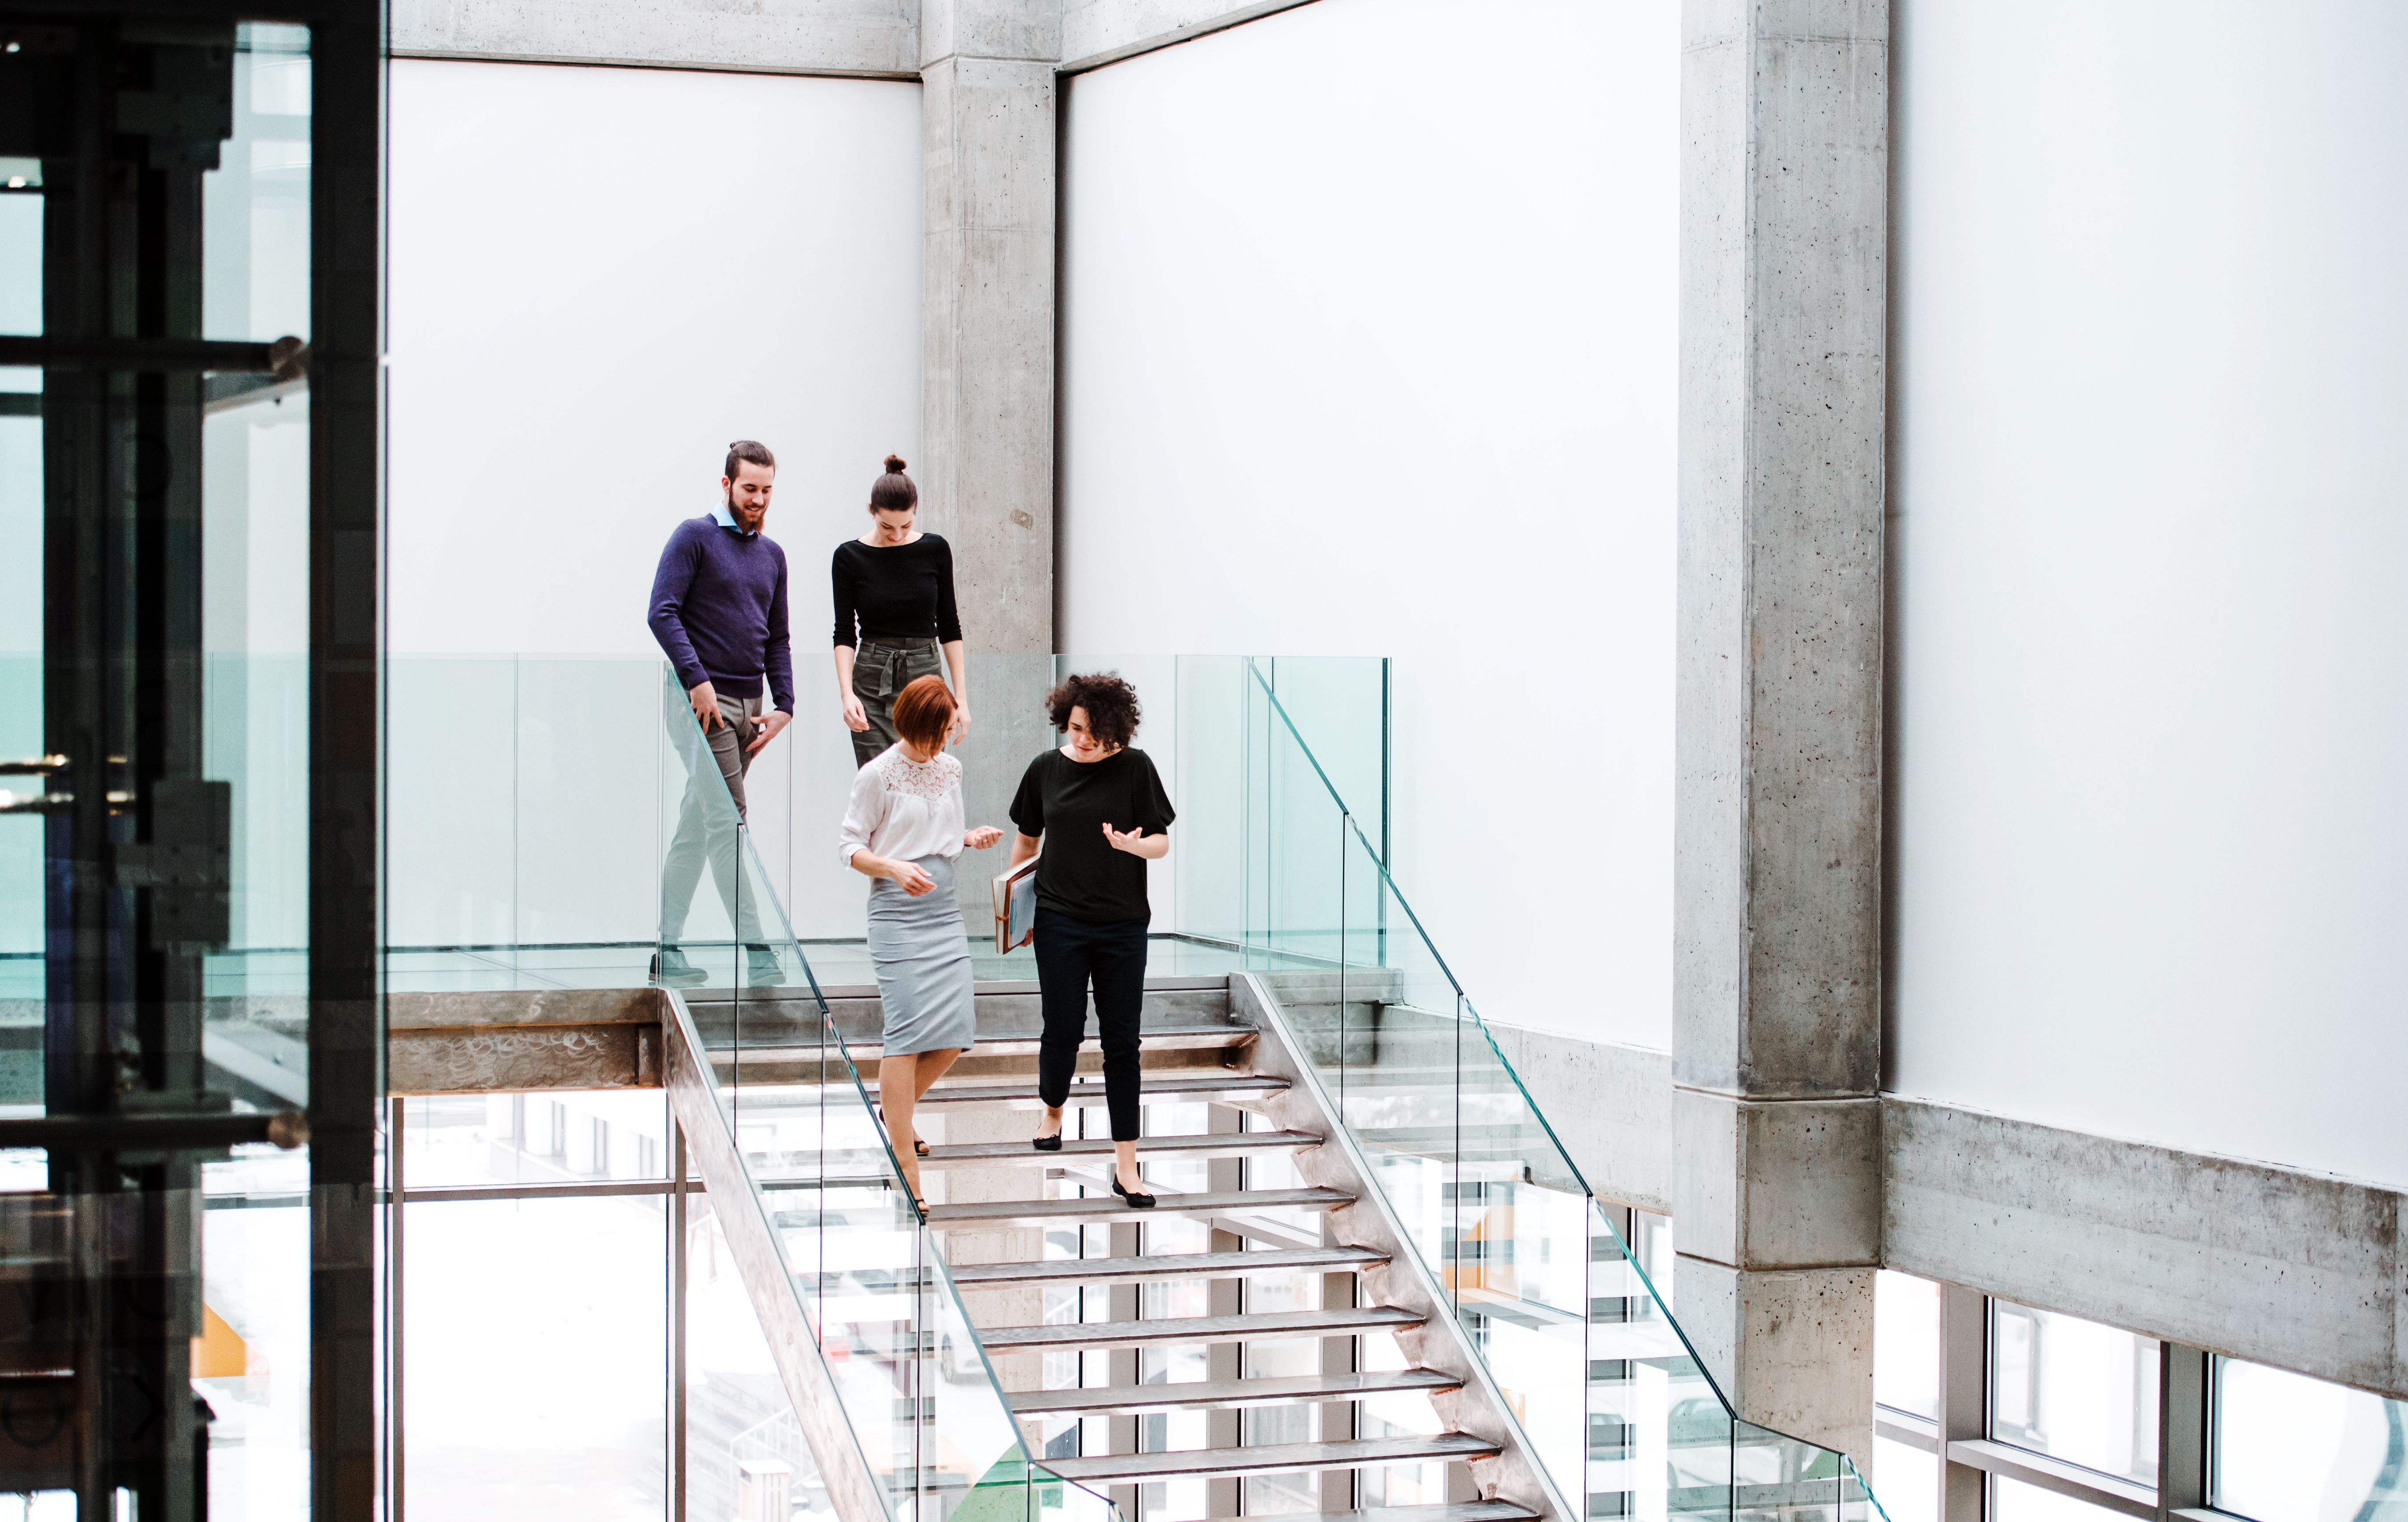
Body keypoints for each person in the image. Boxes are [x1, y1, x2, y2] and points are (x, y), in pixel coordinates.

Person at [1006, 673, 1174, 1207]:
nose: (1081, 739)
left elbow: (1162, 842)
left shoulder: (1136, 768)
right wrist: (1015, 912)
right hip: (1058, 919)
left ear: (1115, 731)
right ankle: (1053, 1110)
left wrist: (1132, 845)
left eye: (1093, 733)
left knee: (1122, 1042)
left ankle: (1126, 1164)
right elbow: (1027, 840)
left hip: (1123, 924)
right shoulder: (1044, 769)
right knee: (1062, 1027)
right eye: (1075, 728)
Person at [839, 676, 1004, 1207]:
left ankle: (895, 1111)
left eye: (946, 731)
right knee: (907, 1032)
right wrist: (891, 867)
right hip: (896, 912)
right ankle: (904, 1161)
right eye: (936, 733)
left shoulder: (949, 769)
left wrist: (967, 837)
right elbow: (849, 847)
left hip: (942, 909)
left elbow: (938, 836)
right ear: (914, 724)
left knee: (956, 1032)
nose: (942, 744)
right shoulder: (877, 775)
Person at [647, 440, 795, 988]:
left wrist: (785, 704)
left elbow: (777, 636)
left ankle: (666, 947)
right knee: (727, 821)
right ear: (727, 484)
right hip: (699, 706)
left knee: (698, 824)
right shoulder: (695, 537)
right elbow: (661, 612)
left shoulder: (772, 555)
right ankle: (759, 951)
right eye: (748, 488)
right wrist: (697, 680)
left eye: (766, 490)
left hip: (750, 708)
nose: (757, 499)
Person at [832, 455, 970, 768]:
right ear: (872, 511)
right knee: (877, 779)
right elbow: (844, 632)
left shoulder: (935, 549)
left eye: (906, 526)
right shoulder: (848, 556)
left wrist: (960, 697)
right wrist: (846, 695)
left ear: (915, 512)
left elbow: (949, 626)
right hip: (871, 677)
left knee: (927, 778)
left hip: (926, 675)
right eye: (886, 526)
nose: (896, 535)